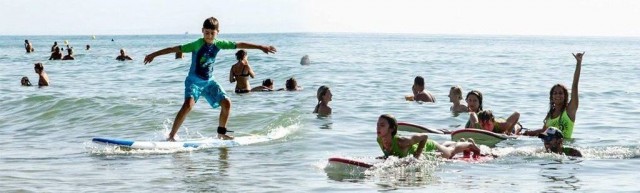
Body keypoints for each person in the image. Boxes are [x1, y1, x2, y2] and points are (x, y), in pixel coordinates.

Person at [143, 17, 277, 141]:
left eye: (212, 33)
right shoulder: (196, 44)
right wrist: (153, 55)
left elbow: (239, 44)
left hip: (209, 81)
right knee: (188, 105)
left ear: (217, 32)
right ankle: (171, 136)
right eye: (206, 33)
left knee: (227, 103)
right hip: (194, 81)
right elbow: (174, 49)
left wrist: (260, 47)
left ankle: (221, 133)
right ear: (202, 31)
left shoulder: (219, 44)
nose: (209, 36)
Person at [523, 52, 584, 139]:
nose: (557, 95)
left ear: (565, 96)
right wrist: (527, 133)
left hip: (564, 148)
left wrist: (578, 63)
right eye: (555, 93)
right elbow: (543, 131)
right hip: (549, 148)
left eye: (560, 93)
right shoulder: (550, 114)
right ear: (551, 97)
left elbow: (575, 85)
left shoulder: (570, 110)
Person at [376, 114, 481, 159]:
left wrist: (417, 154)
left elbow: (424, 136)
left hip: (429, 146)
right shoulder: (380, 140)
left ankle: (470, 144)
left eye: (382, 125)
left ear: (391, 129)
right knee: (445, 147)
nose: (378, 128)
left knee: (450, 152)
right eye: (377, 124)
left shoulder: (402, 141)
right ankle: (460, 142)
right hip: (426, 149)